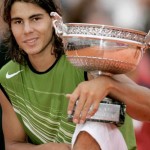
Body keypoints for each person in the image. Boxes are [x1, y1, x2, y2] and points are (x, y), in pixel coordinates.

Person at [0, 0, 150, 150]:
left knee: (91, 130)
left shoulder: (85, 59)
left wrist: (108, 85)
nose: (27, 30)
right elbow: (13, 144)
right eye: (18, 21)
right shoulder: (7, 76)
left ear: (55, 21)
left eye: (36, 19)